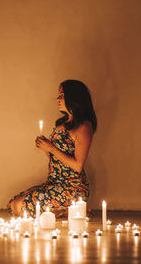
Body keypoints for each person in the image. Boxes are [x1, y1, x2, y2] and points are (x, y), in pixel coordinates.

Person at [7, 79, 97, 218]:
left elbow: (78, 165)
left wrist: (52, 148)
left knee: (21, 207)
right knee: (13, 205)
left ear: (73, 98)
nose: (58, 98)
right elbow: (56, 159)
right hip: (54, 183)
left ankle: (70, 206)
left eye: (62, 95)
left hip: (71, 187)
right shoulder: (61, 123)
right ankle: (64, 210)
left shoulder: (83, 127)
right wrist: (46, 149)